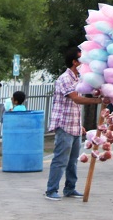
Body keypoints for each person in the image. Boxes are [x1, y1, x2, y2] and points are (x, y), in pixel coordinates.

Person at [45, 48, 108, 201]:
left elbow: (76, 106)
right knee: (61, 160)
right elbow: (76, 99)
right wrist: (98, 101)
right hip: (65, 125)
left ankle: (70, 188)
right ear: (74, 62)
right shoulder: (65, 78)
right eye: (82, 59)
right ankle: (51, 190)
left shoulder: (79, 79)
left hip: (75, 126)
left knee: (73, 161)